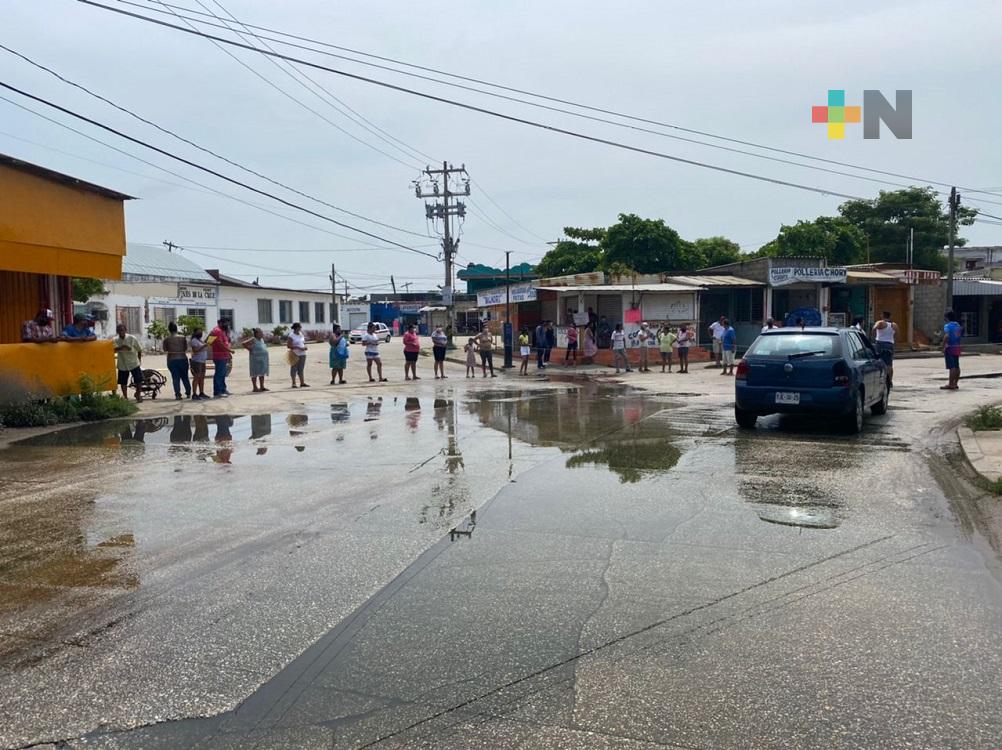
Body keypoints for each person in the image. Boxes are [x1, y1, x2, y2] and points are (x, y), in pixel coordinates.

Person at [112, 323, 144, 401]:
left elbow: (139, 349)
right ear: (117, 331)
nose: (121, 332)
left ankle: (138, 394)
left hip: (134, 363)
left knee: (139, 380)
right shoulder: (115, 340)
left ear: (125, 330)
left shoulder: (132, 338)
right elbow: (113, 350)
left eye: (122, 330)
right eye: (119, 330)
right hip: (122, 364)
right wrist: (121, 347)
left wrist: (139, 360)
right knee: (123, 382)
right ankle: (125, 397)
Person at [163, 321, 191, 400]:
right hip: (183, 358)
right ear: (176, 329)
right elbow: (185, 348)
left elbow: (165, 349)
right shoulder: (182, 337)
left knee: (175, 378)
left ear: (169, 330)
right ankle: (188, 392)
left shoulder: (166, 339)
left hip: (172, 359)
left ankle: (178, 394)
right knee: (185, 377)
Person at [208, 317, 234, 398]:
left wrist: (228, 353)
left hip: (224, 355)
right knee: (219, 373)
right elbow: (219, 343)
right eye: (226, 324)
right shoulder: (217, 331)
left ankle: (223, 389)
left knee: (223, 373)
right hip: (219, 356)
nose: (227, 325)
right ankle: (217, 391)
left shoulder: (222, 331)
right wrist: (229, 350)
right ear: (221, 323)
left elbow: (225, 342)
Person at [872, 311, 898, 387]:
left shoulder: (880, 323)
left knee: (878, 362)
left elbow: (873, 329)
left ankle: (879, 380)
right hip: (890, 344)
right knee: (889, 364)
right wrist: (893, 342)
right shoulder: (894, 325)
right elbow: (897, 334)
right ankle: (890, 380)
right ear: (890, 316)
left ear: (882, 316)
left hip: (880, 344)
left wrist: (874, 338)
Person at [242, 327, 270, 392]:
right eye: (261, 332)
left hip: (263, 359)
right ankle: (255, 387)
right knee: (254, 373)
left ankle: (262, 386)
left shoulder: (261, 339)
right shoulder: (253, 339)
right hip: (255, 359)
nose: (262, 334)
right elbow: (243, 343)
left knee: (262, 372)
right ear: (257, 334)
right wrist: (249, 349)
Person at [942, 310, 963, 390]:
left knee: (952, 367)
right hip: (957, 347)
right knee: (957, 366)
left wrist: (943, 345)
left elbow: (947, 336)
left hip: (950, 347)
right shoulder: (958, 325)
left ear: (947, 318)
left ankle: (950, 384)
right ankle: (955, 383)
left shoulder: (947, 326)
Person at [286, 322, 309, 388]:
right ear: (296, 328)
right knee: (294, 368)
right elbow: (288, 345)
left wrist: (305, 346)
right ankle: (294, 383)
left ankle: (302, 382)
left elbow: (303, 342)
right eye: (299, 327)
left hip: (302, 354)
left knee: (301, 369)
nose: (300, 328)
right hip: (294, 354)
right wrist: (298, 347)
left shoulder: (301, 334)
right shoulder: (291, 335)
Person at [189, 328, 208, 400]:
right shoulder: (194, 340)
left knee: (202, 377)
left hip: (202, 361)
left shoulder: (200, 340)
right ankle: (194, 394)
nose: (200, 333)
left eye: (201, 331)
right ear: (195, 332)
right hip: (197, 361)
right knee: (196, 377)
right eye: (198, 331)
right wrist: (203, 346)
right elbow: (195, 350)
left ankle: (201, 392)